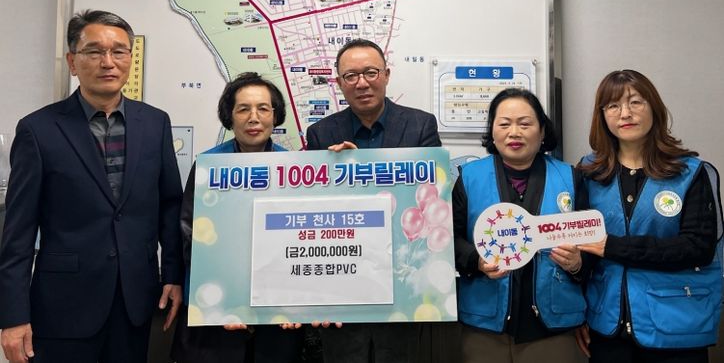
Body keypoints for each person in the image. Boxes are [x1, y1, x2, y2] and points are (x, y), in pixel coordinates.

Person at [0, 10, 183, 363]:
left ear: (130, 58)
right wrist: (13, 316)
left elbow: (169, 205)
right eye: (94, 51)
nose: (108, 62)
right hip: (63, 305)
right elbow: (18, 231)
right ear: (72, 62)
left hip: (135, 300)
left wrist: (173, 275)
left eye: (119, 51)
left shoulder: (155, 123)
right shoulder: (39, 129)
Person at [305, 39, 443, 363]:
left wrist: (365, 175)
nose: (362, 83)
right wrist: (341, 175)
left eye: (371, 72)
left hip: (402, 281)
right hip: (343, 279)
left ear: (386, 75)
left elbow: (432, 197)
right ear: (339, 83)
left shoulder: (421, 125)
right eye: (351, 76)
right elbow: (314, 209)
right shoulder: (321, 133)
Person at [576, 69, 721, 363]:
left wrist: (613, 247)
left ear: (653, 107)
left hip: (676, 328)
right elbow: (583, 249)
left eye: (635, 102)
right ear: (602, 115)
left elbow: (698, 248)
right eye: (613, 105)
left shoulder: (689, 172)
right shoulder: (589, 172)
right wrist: (576, 311)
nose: (625, 113)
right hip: (607, 327)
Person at [171, 72, 304, 363]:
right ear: (229, 116)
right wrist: (227, 300)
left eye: (263, 109)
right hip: (216, 309)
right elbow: (190, 235)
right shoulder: (208, 166)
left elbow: (300, 240)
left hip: (277, 312)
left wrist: (296, 302)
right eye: (243, 109)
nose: (253, 118)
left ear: (275, 116)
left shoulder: (295, 168)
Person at [453, 88, 587, 363]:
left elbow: (593, 243)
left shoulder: (570, 178)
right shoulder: (469, 178)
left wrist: (578, 263)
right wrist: (476, 261)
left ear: (542, 131)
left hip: (554, 328)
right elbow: (447, 240)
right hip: (485, 326)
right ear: (492, 131)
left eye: (525, 124)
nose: (514, 132)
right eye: (504, 124)